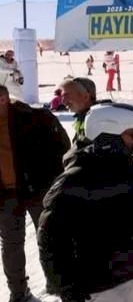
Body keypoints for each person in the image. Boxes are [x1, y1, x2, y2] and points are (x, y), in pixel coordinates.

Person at [38, 103, 133, 302]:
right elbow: (51, 240)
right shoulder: (73, 181)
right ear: (109, 135)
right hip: (97, 287)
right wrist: (65, 285)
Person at [0, 85, 70, 302]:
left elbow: (61, 145)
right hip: (5, 196)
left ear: (5, 97)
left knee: (49, 236)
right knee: (12, 244)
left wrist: (52, 179)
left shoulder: (30, 116)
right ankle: (18, 293)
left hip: (35, 189)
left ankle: (56, 282)